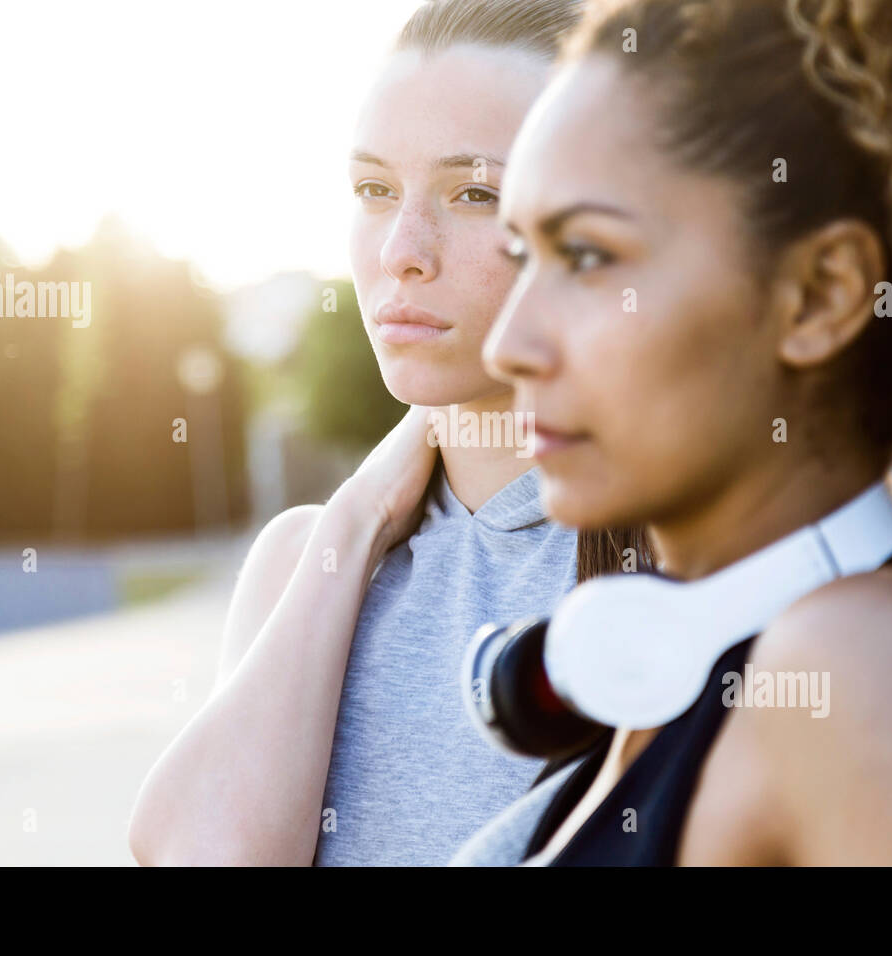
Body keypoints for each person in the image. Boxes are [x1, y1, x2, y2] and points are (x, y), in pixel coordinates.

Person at [453, 0, 892, 865]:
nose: (508, 345)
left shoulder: (864, 666)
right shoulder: (704, 661)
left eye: (587, 256)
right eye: (521, 255)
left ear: (819, 294)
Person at [128, 0, 616, 866]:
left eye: (474, 193)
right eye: (374, 191)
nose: (402, 249)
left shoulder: (694, 554)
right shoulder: (307, 562)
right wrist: (352, 523)